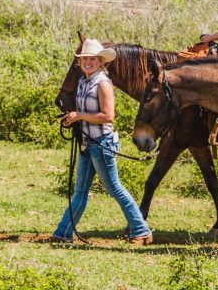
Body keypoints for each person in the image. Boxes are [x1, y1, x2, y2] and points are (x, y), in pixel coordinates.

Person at [51, 38, 153, 245]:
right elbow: (84, 113)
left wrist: (79, 116)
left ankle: (141, 230)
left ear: (100, 62)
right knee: (80, 191)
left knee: (114, 188)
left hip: (102, 143)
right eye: (84, 59)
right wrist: (72, 118)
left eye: (92, 59)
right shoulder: (82, 81)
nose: (87, 62)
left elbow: (108, 116)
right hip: (88, 143)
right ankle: (63, 233)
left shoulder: (103, 83)